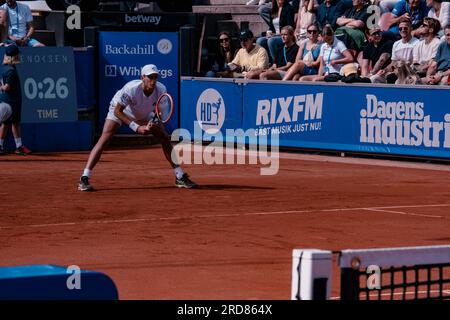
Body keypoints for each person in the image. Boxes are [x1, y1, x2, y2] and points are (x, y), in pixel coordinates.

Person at [78, 64, 198, 191]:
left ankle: (180, 176)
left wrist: (152, 122)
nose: (153, 80)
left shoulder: (161, 89)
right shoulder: (131, 89)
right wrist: (136, 128)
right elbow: (118, 111)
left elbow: (160, 113)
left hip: (145, 113)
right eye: (150, 77)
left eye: (155, 77)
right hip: (122, 111)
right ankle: (84, 178)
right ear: (142, 77)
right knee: (104, 139)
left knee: (164, 138)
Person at [0, 44, 31, 156]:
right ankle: (18, 147)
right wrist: (2, 87)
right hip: (12, 102)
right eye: (17, 55)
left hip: (7, 101)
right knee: (15, 123)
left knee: (6, 123)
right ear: (13, 57)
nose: (19, 57)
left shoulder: (4, 68)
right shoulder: (11, 71)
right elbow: (7, 87)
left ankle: (1, 145)